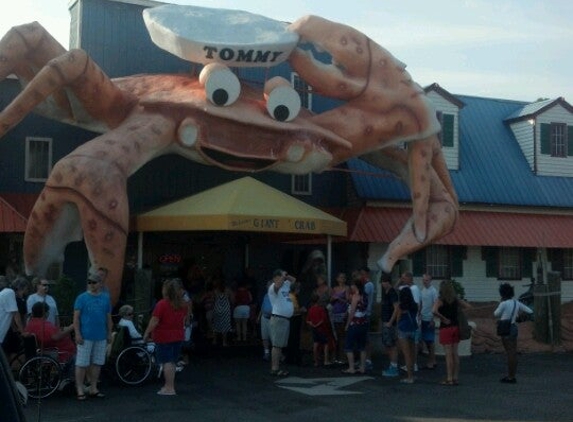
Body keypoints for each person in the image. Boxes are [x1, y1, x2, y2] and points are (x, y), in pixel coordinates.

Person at [143, 278, 188, 396]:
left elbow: (155, 320)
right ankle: (170, 385)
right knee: (172, 361)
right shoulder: (183, 304)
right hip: (178, 335)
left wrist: (147, 332)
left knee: (166, 361)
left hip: (164, 336)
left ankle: (169, 387)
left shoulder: (162, 304)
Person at [73, 272, 113, 400]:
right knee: (82, 363)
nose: (91, 284)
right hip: (86, 335)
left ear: (100, 284)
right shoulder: (82, 298)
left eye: (94, 282)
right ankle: (79, 388)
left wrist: (109, 333)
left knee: (97, 362)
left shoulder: (105, 298)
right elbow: (76, 318)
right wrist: (77, 333)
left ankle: (93, 387)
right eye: (89, 282)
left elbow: (108, 317)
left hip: (100, 335)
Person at [433, 280, 471, 386]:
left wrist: (443, 318)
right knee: (455, 353)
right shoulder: (455, 299)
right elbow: (468, 306)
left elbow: (434, 311)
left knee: (448, 355)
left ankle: (449, 378)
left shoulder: (440, 300)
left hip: (446, 328)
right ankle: (455, 377)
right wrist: (459, 312)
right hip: (455, 327)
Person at [494, 283, 533, 384]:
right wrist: (519, 317)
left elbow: (496, 314)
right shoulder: (516, 303)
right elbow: (529, 311)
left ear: (502, 294)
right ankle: (512, 375)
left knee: (509, 353)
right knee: (513, 352)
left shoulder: (503, 303)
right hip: (513, 327)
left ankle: (510, 377)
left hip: (505, 328)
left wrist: (501, 303)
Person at [268, 269, 295, 377]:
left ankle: (277, 366)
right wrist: (282, 277)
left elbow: (294, 280)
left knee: (280, 345)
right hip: (278, 318)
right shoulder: (273, 287)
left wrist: (286, 275)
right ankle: (274, 368)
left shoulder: (285, 285)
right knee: (276, 345)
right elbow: (277, 284)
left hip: (285, 319)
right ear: (275, 278)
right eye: (280, 277)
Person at [341, 277, 369, 374]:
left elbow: (352, 311)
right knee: (362, 346)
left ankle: (351, 367)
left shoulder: (355, 296)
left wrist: (347, 324)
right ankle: (362, 367)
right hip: (363, 322)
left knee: (349, 345)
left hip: (355, 323)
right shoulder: (364, 296)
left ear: (354, 286)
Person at [398, 271, 421, 372]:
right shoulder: (406, 289)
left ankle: (413, 365)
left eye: (403, 278)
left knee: (410, 349)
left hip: (410, 322)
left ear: (409, 278)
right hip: (413, 322)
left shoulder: (413, 289)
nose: (402, 280)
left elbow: (417, 304)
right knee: (411, 346)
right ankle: (411, 365)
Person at [2, 278, 30, 358]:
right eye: (26, 289)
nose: (26, 292)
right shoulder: (10, 293)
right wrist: (22, 331)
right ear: (21, 288)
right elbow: (15, 314)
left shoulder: (9, 294)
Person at [380, 273, 400, 378]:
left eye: (384, 282)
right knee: (387, 344)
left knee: (391, 345)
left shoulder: (392, 293)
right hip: (385, 321)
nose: (383, 284)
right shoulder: (387, 292)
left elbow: (396, 308)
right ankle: (392, 365)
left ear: (388, 282)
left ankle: (394, 366)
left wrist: (391, 322)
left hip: (389, 323)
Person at [397, 286, 418, 384]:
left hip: (403, 329)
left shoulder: (401, 306)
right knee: (412, 353)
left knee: (407, 355)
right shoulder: (415, 305)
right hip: (413, 328)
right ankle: (413, 374)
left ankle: (410, 377)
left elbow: (398, 318)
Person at [306, 292, 334, 367]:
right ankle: (326, 360)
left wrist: (313, 325)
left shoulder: (311, 309)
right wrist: (317, 324)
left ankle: (316, 361)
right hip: (322, 328)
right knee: (326, 344)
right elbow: (323, 319)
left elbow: (308, 320)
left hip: (314, 329)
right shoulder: (321, 309)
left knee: (315, 343)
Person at [330, 272, 349, 363]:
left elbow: (348, 301)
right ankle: (335, 356)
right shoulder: (334, 288)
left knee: (342, 335)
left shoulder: (347, 288)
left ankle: (343, 357)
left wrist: (339, 299)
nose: (342, 279)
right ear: (337, 279)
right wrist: (333, 299)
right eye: (341, 277)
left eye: (344, 277)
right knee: (335, 335)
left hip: (343, 312)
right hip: (335, 312)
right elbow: (331, 300)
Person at [420, 273, 438, 369]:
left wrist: (432, 319)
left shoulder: (433, 291)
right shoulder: (422, 290)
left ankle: (432, 360)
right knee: (426, 341)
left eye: (426, 280)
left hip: (429, 318)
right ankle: (431, 359)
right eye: (423, 280)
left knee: (430, 341)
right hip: (423, 317)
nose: (424, 281)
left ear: (430, 281)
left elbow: (435, 305)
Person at [360, 267, 375, 370]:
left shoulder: (368, 285)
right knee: (362, 337)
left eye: (362, 274)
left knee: (366, 337)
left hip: (366, 313)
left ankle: (368, 359)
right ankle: (363, 358)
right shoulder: (365, 285)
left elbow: (362, 297)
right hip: (363, 313)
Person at [211, 276, 233, 347]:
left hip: (217, 309)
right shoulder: (228, 290)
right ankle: (224, 342)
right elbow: (232, 300)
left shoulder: (215, 291)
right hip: (226, 310)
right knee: (225, 325)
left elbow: (212, 300)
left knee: (216, 324)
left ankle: (214, 340)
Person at [257, 281, 273, 361]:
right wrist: (259, 317)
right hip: (264, 318)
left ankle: (277, 354)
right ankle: (266, 353)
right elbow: (262, 307)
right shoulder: (266, 295)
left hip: (272, 319)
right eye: (267, 285)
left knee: (273, 337)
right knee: (265, 336)